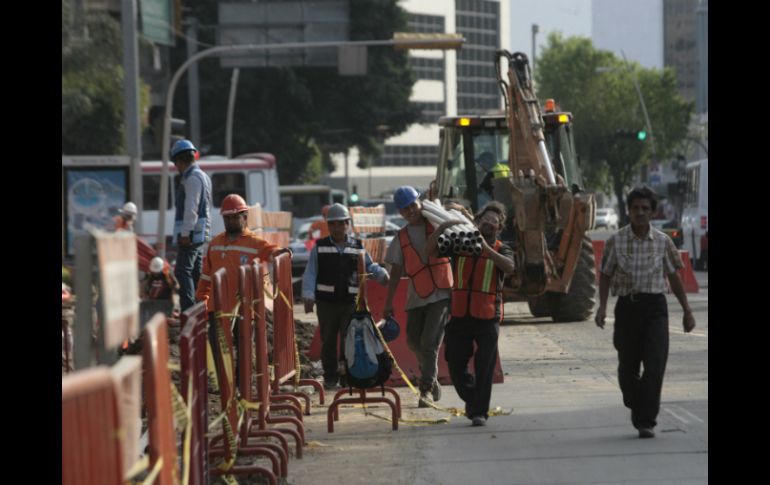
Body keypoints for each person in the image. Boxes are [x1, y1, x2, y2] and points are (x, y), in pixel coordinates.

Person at [595, 186, 696, 439]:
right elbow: (605, 275)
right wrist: (603, 307)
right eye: (636, 208)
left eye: (645, 209)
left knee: (655, 364)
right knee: (627, 367)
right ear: (628, 211)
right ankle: (634, 400)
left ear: (652, 213)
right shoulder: (615, 241)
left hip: (655, 310)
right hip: (627, 309)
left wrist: (687, 311)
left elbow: (674, 277)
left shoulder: (663, 242)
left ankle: (645, 420)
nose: (640, 213)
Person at [426, 201, 515, 426]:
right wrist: (441, 227)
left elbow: (510, 267)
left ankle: (479, 413)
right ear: (477, 221)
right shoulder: (461, 243)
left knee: (485, 366)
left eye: (494, 222)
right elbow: (430, 252)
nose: (489, 224)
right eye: (486, 220)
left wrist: (486, 249)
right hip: (460, 315)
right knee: (454, 361)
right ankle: (472, 398)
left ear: (499, 227)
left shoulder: (503, 248)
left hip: (487, 316)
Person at [302, 203, 389, 390]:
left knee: (349, 341)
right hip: (326, 304)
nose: (337, 227)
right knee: (328, 342)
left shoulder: (357, 246)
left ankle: (347, 376)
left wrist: (381, 274)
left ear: (347, 224)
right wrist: (308, 296)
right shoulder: (320, 247)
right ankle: (330, 377)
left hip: (350, 302)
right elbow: (310, 273)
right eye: (333, 224)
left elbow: (369, 266)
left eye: (341, 223)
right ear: (328, 225)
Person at [383, 186, 453, 407]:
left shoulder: (436, 223)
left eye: (413, 205)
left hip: (441, 293)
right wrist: (388, 302)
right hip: (416, 297)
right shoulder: (401, 237)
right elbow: (395, 272)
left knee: (430, 343)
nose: (410, 211)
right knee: (414, 341)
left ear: (420, 203)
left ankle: (424, 390)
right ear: (400, 212)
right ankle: (432, 380)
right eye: (405, 209)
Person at [171, 139, 212, 312]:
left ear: (180, 161)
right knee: (195, 272)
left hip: (192, 234)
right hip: (199, 232)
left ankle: (189, 310)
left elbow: (191, 209)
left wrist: (186, 234)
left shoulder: (192, 178)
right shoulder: (201, 175)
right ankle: (200, 307)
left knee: (182, 271)